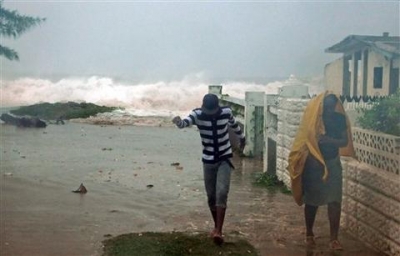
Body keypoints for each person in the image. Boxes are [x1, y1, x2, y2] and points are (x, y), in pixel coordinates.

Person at [172, 93, 245, 245]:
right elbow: (185, 123)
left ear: (218, 108)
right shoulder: (197, 114)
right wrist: (178, 122)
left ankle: (218, 230)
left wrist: (242, 138)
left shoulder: (226, 112)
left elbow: (235, 125)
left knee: (222, 192)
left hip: (225, 158)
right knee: (211, 196)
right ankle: (217, 227)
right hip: (208, 160)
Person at [288, 92, 356, 251]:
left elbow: (344, 140)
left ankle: (334, 238)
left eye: (332, 106)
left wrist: (329, 140)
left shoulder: (339, 119)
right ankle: (309, 234)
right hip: (313, 164)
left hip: (332, 163)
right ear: (321, 106)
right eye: (326, 106)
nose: (330, 109)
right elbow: (304, 137)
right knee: (312, 201)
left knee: (335, 201)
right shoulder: (314, 119)